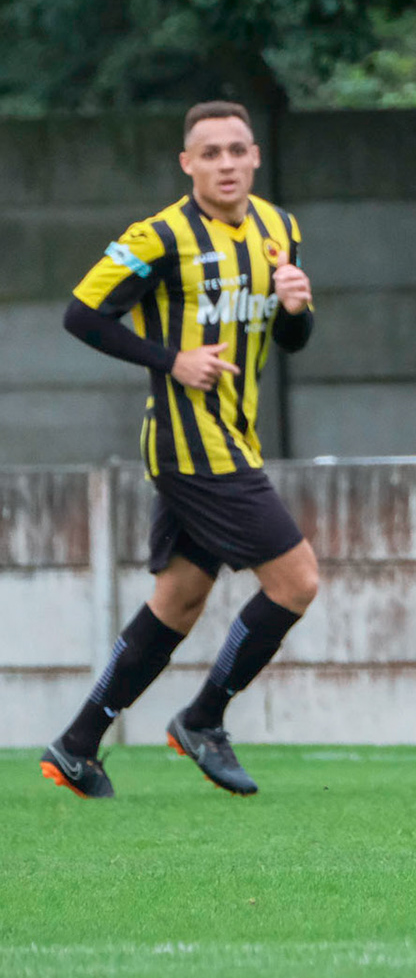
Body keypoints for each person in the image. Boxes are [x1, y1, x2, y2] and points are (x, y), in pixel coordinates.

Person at [39, 101, 320, 800]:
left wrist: (297, 309)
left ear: (255, 156)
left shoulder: (280, 228)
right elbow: (81, 314)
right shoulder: (158, 236)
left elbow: (292, 344)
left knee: (181, 598)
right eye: (211, 153)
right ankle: (203, 720)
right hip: (188, 445)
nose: (226, 163)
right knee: (296, 582)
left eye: (237, 150)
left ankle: (76, 746)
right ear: (187, 163)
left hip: (235, 436)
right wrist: (170, 360)